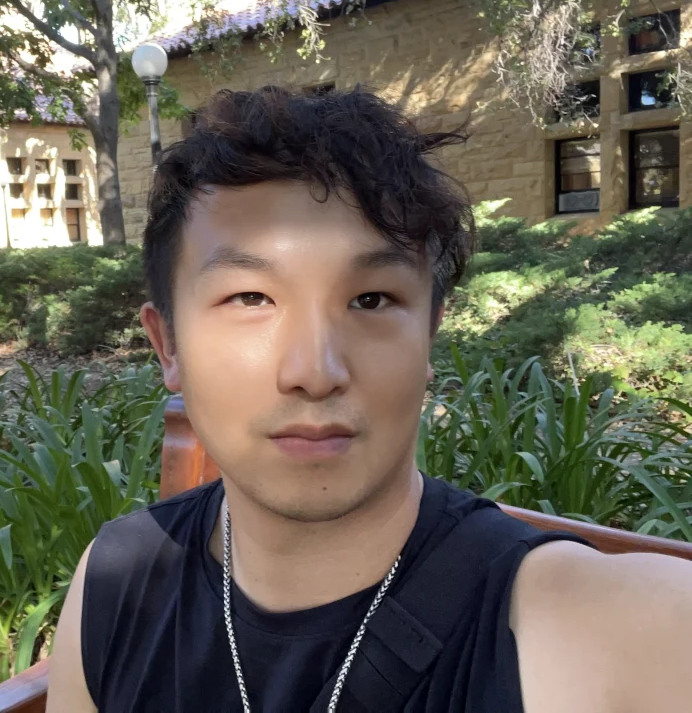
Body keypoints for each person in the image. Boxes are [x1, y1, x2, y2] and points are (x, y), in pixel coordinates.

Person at [47, 86, 692, 712]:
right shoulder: (115, 582)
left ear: (429, 334)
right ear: (168, 346)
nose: (315, 371)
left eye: (372, 299)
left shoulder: (610, 634)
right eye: (249, 298)